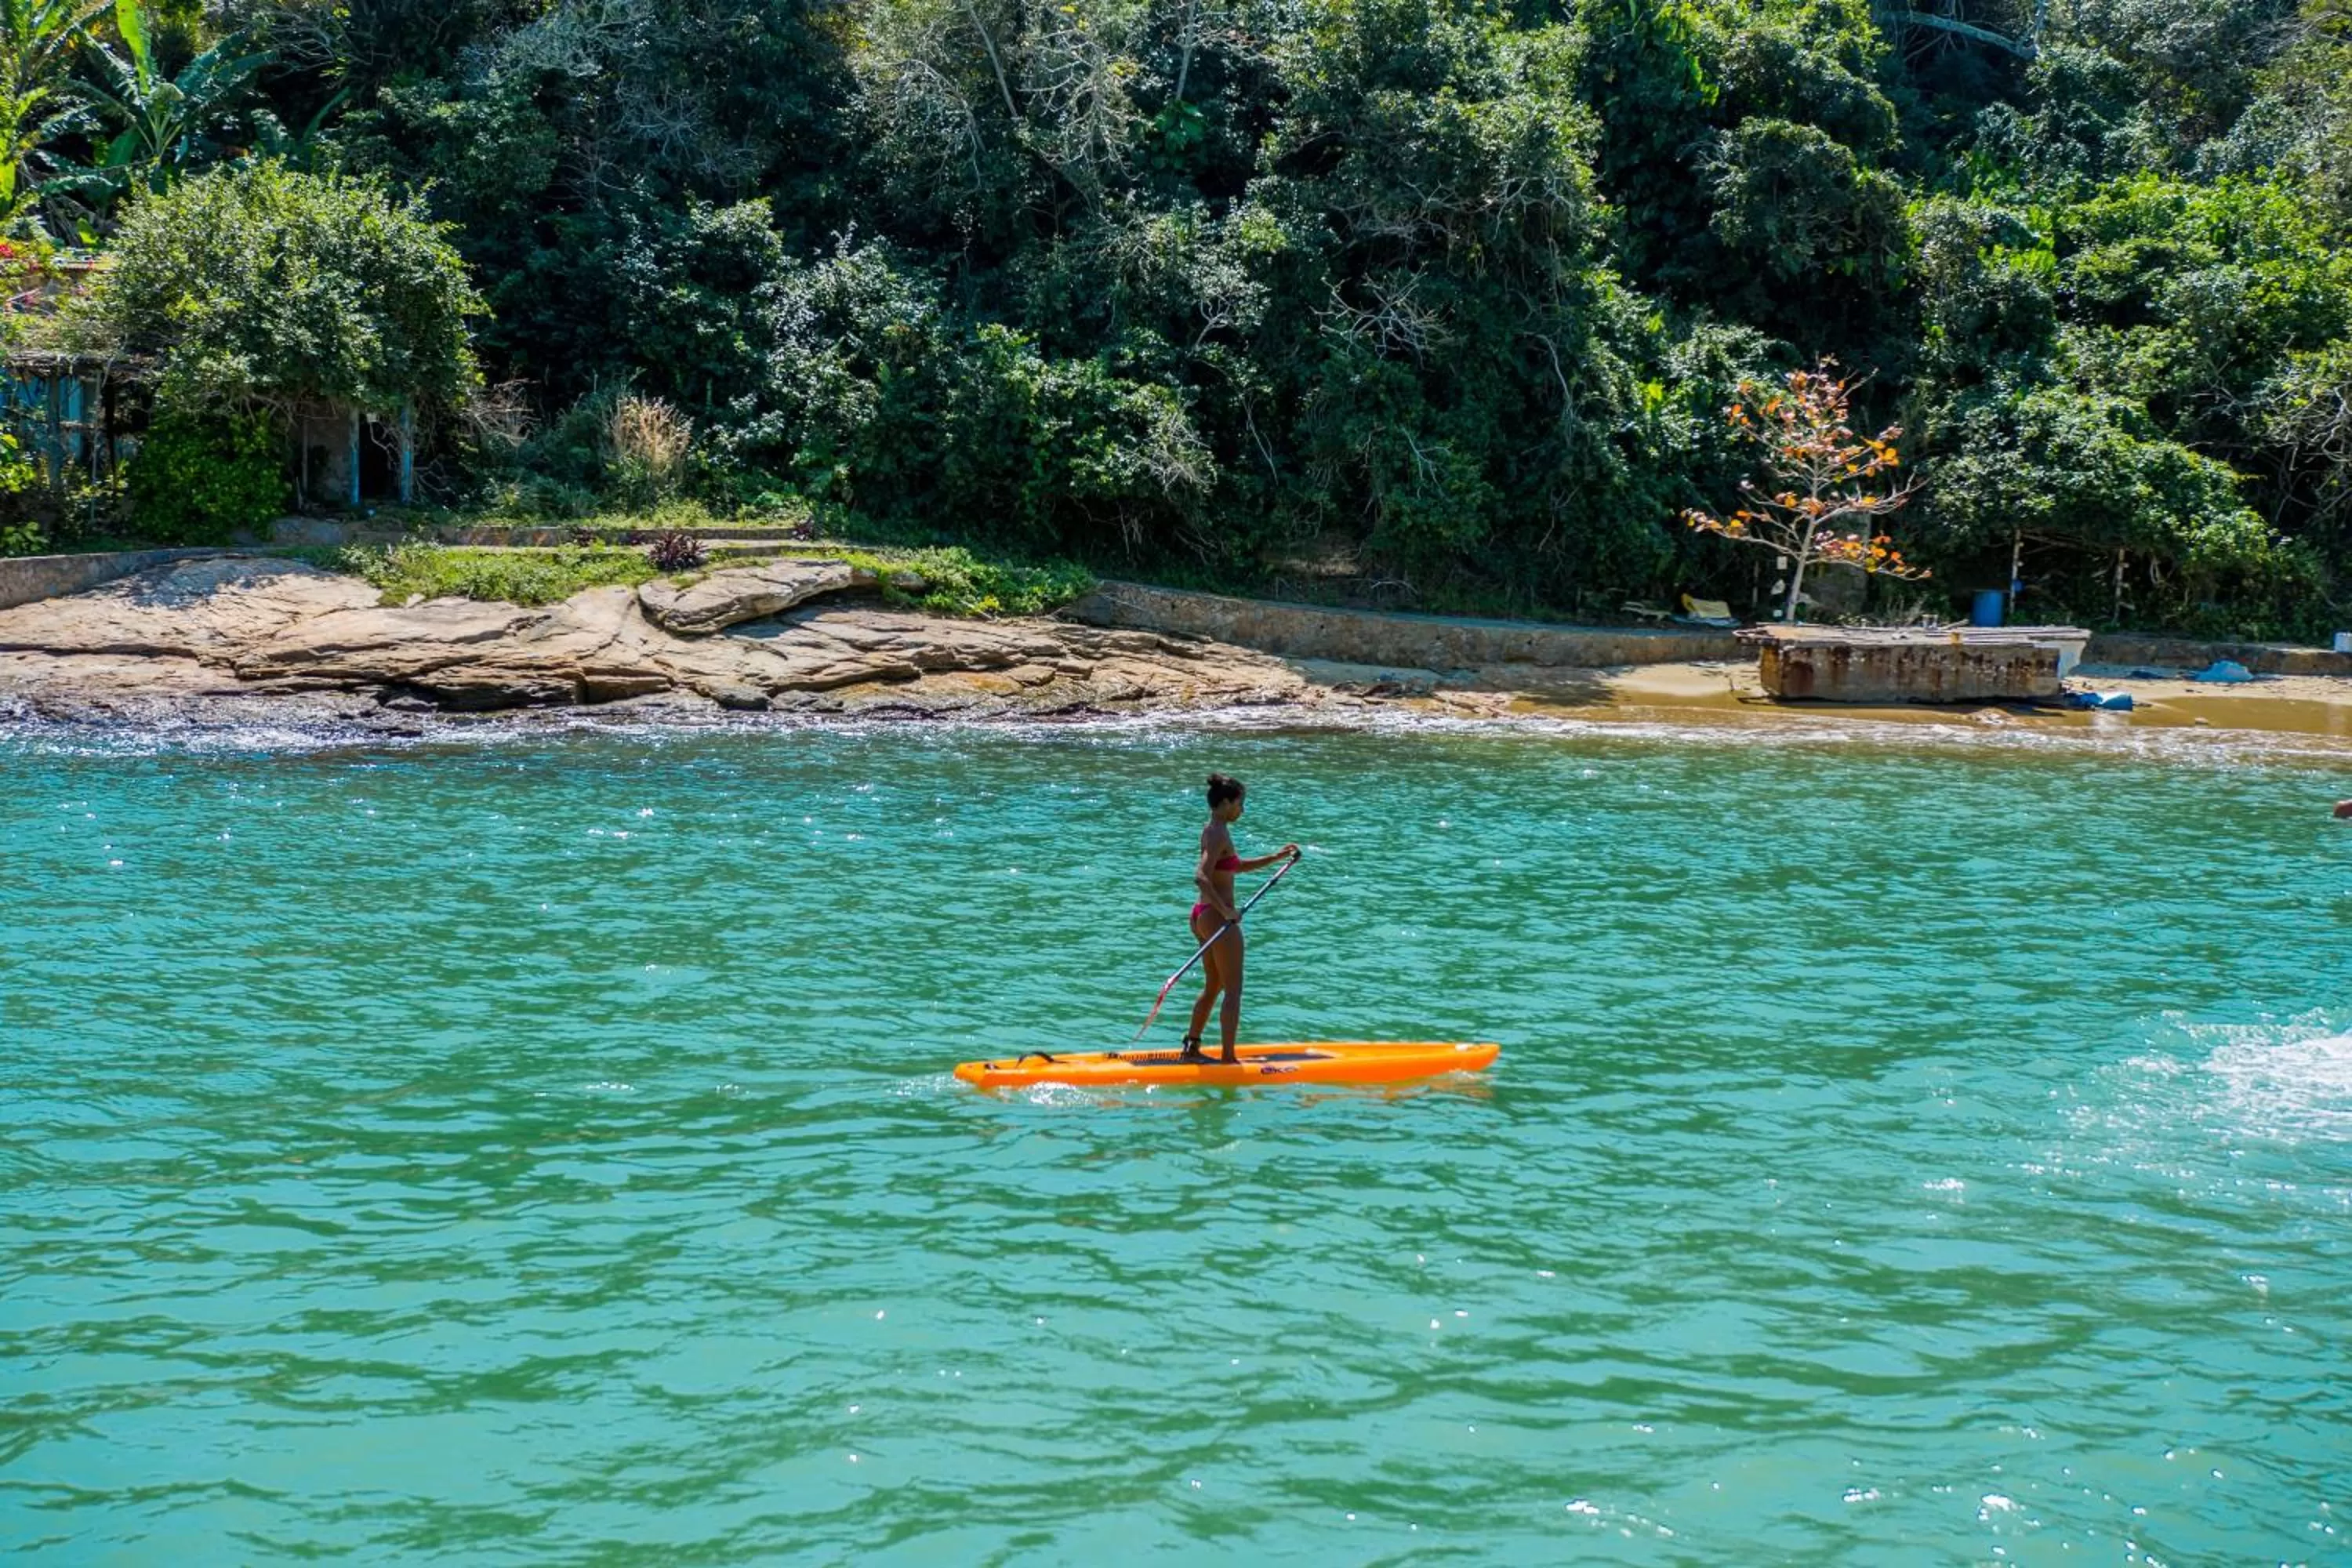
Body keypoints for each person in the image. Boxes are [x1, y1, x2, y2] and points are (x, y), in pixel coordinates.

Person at [1183, 773, 1299, 1064]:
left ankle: (1192, 1047)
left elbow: (1232, 867)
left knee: (1214, 986)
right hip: (1216, 917)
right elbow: (1201, 877)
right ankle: (1229, 1059)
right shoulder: (1219, 833)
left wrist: (1275, 858)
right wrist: (1226, 912)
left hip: (1201, 916)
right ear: (1225, 803)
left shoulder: (1213, 829)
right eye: (1240, 803)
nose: (1242, 810)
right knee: (1233, 989)